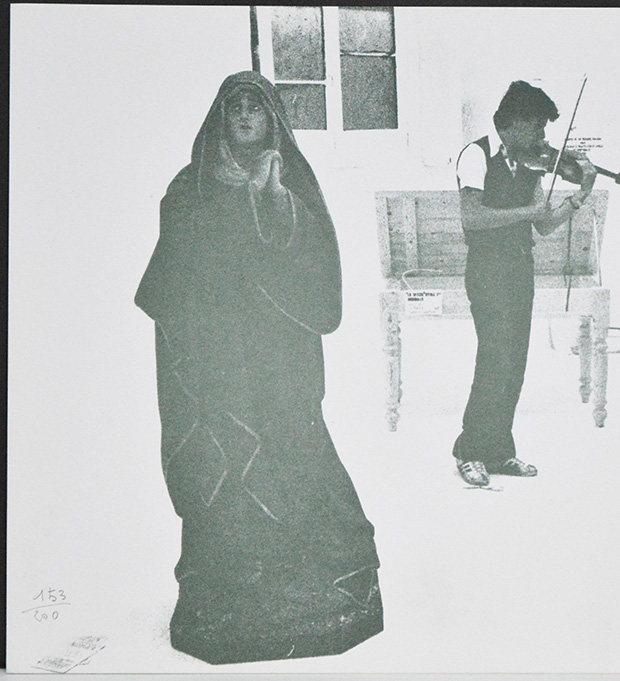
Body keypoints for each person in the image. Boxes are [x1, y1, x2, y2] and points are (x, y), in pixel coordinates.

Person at [135, 71, 382, 664]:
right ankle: (231, 585)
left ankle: (321, 577)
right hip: (215, 355)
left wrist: (273, 202)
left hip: (279, 354)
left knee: (296, 447)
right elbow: (173, 270)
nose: (245, 115)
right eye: (235, 106)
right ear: (220, 118)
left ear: (273, 118)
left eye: (256, 106)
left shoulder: (291, 179)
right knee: (220, 460)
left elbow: (316, 261)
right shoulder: (188, 186)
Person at [452, 80, 597, 487]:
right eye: (537, 127)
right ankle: (469, 450)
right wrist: (527, 211)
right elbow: (472, 217)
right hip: (487, 269)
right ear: (513, 123)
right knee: (494, 357)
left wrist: (579, 196)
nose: (542, 137)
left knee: (515, 361)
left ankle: (499, 451)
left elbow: (544, 224)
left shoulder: (530, 163)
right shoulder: (476, 155)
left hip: (519, 267)